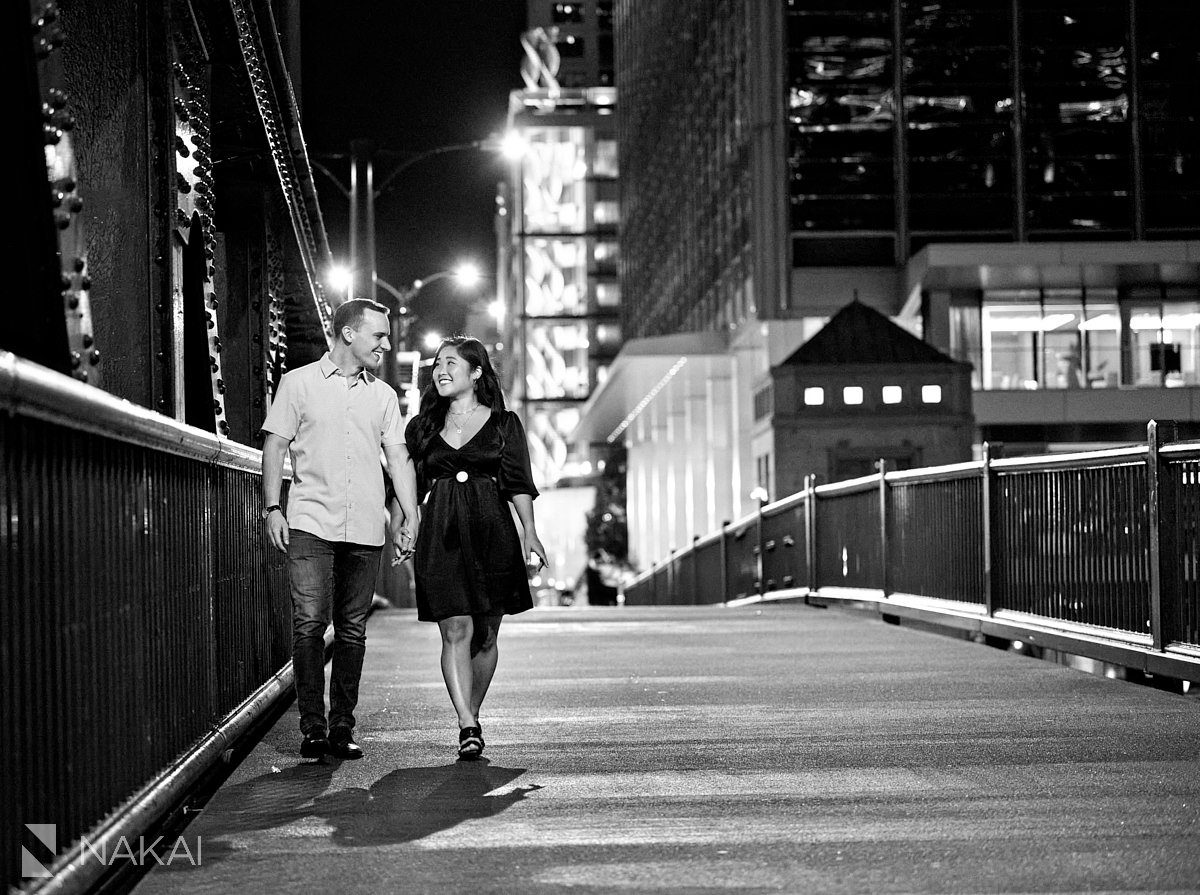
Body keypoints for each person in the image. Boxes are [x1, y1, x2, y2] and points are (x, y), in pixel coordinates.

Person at [261, 298, 418, 761]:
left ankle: (342, 725)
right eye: (379, 336)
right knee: (309, 625)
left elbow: (399, 458)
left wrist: (409, 514)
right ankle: (311, 726)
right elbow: (274, 447)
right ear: (349, 333)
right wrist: (272, 506)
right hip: (310, 520)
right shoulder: (298, 384)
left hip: (366, 525)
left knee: (352, 631)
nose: (386, 345)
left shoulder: (384, 395)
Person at [405, 336, 547, 760]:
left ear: (476, 373)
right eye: (437, 364)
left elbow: (518, 483)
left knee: (485, 635)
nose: (441, 370)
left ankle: (473, 714)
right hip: (441, 530)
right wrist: (403, 527)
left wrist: (531, 534)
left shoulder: (505, 424)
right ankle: (466, 721)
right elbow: (407, 486)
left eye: (451, 363)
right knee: (455, 629)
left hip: (492, 530)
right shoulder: (422, 427)